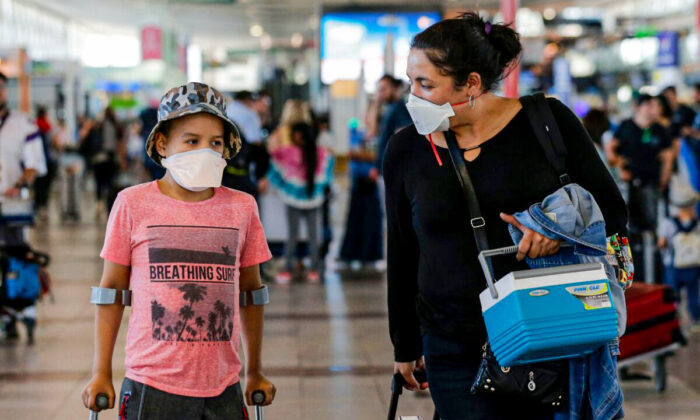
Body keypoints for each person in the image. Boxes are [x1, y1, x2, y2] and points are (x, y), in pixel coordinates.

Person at [383, 13, 628, 419]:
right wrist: (405, 345)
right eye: (411, 81)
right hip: (452, 342)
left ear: (472, 84)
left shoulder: (547, 124)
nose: (413, 96)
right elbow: (403, 249)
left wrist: (556, 233)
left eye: (426, 84)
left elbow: (611, 211)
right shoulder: (407, 149)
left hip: (547, 331)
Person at [81, 82, 276, 418]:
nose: (206, 151)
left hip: (222, 386)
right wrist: (101, 372)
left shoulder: (241, 208)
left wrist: (254, 370)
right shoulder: (133, 204)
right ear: (162, 143)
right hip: (151, 386)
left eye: (215, 142)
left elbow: (250, 293)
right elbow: (111, 291)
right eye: (192, 141)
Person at [0, 72, 47, 339]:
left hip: (13, 205)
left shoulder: (23, 125)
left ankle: (26, 309)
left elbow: (35, 164)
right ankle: (6, 313)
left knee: (18, 254)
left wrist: (18, 185)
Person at [268, 122, 333, 284]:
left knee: (292, 235)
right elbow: (328, 171)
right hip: (314, 197)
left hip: (293, 198)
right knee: (313, 235)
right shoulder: (322, 153)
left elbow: (273, 157)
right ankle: (315, 270)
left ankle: (288, 269)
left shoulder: (288, 152)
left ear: (298, 135)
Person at [658, 183, 700, 330]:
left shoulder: (668, 224)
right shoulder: (697, 224)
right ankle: (696, 320)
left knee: (673, 295)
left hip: (673, 265)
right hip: (693, 266)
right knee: (693, 295)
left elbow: (662, 243)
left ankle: (673, 320)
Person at [375, 74, 412, 174]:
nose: (381, 93)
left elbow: (403, 135)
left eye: (384, 89)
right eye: (380, 90)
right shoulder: (389, 108)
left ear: (394, 87)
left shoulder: (398, 108)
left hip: (393, 168)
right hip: (385, 167)